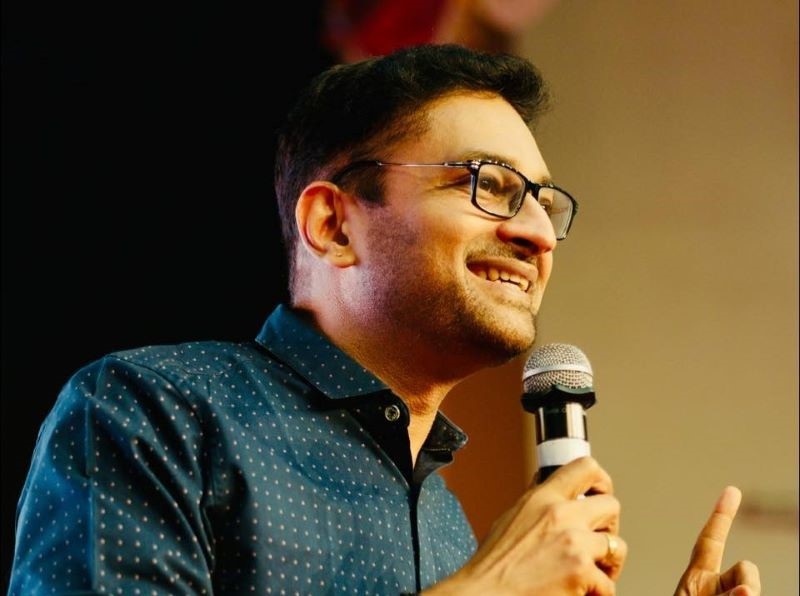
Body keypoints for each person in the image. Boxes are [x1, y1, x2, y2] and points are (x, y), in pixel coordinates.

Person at [8, 44, 760, 595]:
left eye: (543, 202)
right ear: (333, 225)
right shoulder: (152, 413)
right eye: (490, 184)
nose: (538, 233)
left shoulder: (446, 523)